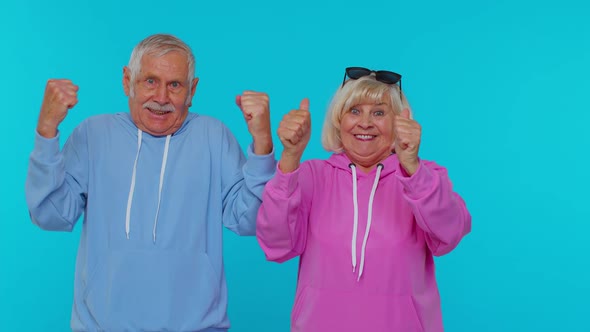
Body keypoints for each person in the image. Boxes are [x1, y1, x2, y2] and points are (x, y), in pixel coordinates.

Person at [25, 33, 276, 331]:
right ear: (127, 80)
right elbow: (50, 214)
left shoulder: (214, 136)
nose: (161, 98)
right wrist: (47, 129)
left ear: (192, 90)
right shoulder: (93, 134)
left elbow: (253, 220)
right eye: (150, 81)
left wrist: (262, 142)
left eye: (175, 85)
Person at [256, 67, 471, 331]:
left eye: (379, 113)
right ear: (338, 120)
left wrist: (412, 168)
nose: (365, 123)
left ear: (399, 122)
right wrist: (290, 156)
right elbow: (276, 244)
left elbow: (449, 233)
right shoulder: (312, 176)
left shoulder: (424, 176)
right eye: (354, 111)